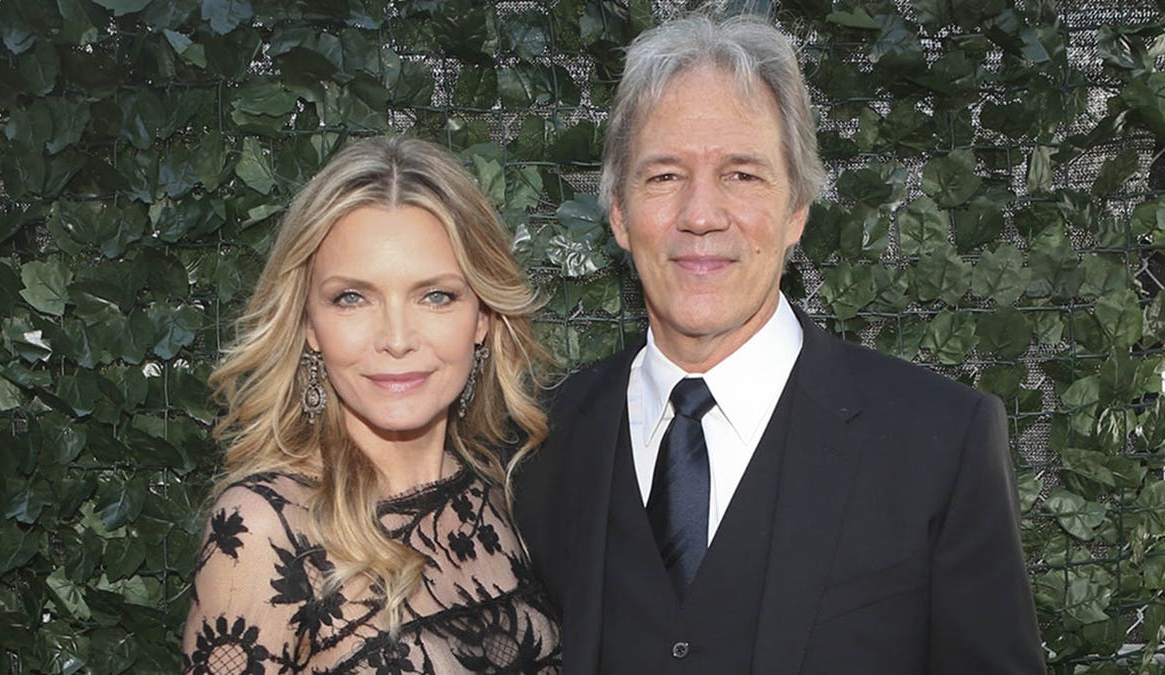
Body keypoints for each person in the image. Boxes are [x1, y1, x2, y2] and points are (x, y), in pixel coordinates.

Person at [513, 13, 1045, 674]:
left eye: (742, 174)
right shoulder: (541, 437)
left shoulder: (941, 443)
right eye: (664, 176)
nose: (701, 215)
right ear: (619, 212)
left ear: (797, 208)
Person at [182, 136, 561, 673]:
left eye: (436, 295)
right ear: (309, 323)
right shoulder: (267, 528)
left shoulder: (505, 490)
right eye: (352, 298)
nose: (397, 338)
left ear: (482, 316)